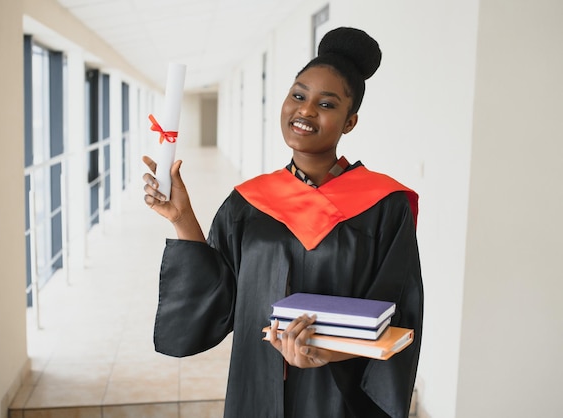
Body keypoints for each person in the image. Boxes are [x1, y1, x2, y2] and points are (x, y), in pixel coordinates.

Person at [142, 27, 423, 418]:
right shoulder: (249, 201)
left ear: (350, 121)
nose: (305, 111)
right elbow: (218, 294)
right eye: (298, 95)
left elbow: (399, 311)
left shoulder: (384, 204)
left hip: (339, 394)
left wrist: (326, 352)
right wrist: (182, 217)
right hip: (256, 385)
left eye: (327, 104)